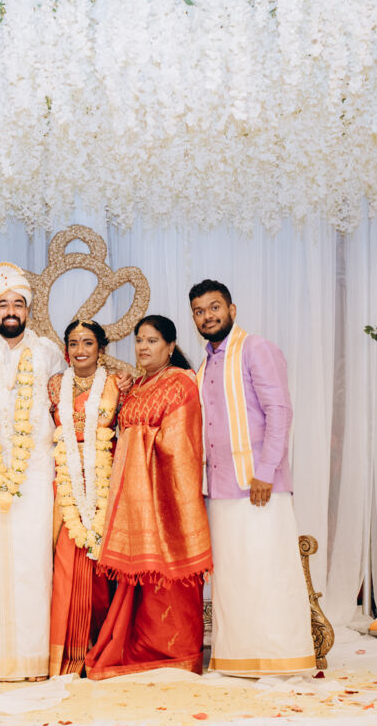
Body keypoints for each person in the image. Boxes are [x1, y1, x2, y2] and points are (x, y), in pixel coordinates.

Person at [190, 279, 315, 676]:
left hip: (258, 485)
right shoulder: (206, 364)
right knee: (233, 576)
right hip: (221, 489)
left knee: (269, 570)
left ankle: (281, 657)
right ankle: (238, 657)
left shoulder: (255, 348)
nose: (208, 316)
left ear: (232, 309)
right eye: (199, 311)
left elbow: (279, 411)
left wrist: (266, 470)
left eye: (214, 307)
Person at [85, 315, 212, 679]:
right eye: (139, 340)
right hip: (137, 505)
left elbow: (181, 446)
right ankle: (140, 648)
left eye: (152, 340)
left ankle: (175, 654)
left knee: (167, 582)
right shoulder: (138, 385)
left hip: (166, 502)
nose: (143, 347)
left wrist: (137, 439)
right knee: (140, 583)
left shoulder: (181, 382)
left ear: (170, 346)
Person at [0, 263, 66, 680]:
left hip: (35, 474)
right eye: (2, 304)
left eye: (18, 304)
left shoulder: (49, 354)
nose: (10, 311)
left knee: (32, 565)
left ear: (28, 310)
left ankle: (32, 658)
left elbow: (74, 396)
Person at [48, 320, 120, 677]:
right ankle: (65, 657)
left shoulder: (118, 384)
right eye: (74, 343)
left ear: (101, 350)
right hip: (64, 481)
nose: (80, 350)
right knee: (65, 564)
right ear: (66, 350)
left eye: (88, 343)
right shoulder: (53, 386)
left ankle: (98, 650)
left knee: (100, 571)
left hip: (104, 479)